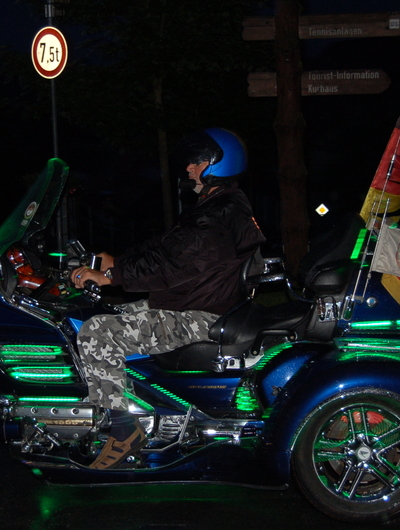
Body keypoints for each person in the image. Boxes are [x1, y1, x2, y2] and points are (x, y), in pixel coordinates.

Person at [71, 128, 266, 470]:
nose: (189, 168)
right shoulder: (219, 207)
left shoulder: (217, 215)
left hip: (201, 314)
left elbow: (174, 265)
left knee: (96, 332)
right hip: (197, 302)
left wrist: (112, 276)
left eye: (197, 161)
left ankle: (123, 431)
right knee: (108, 310)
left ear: (215, 164)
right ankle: (136, 402)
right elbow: (166, 248)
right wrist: (117, 261)